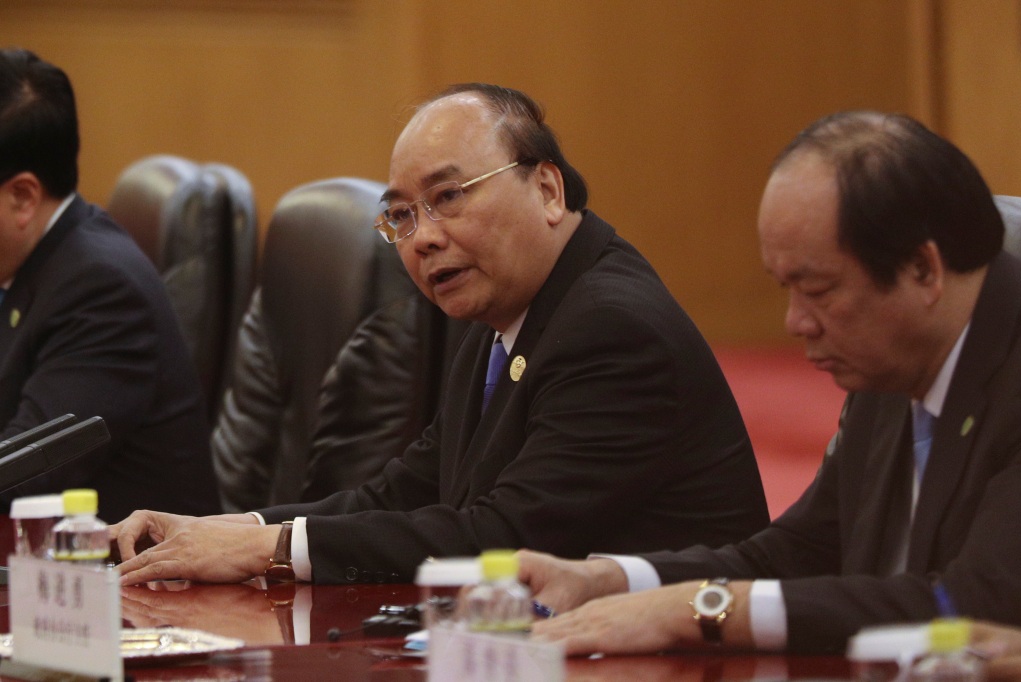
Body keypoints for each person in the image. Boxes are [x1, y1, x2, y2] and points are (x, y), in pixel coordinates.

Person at [111, 83, 769, 585]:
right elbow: (406, 489)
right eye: (401, 215)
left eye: (449, 198)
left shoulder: (611, 329)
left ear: (546, 189)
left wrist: (270, 551)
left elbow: (504, 537)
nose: (423, 237)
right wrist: (226, 530)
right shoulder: (504, 311)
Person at [522, 110, 1021, 655]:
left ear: (924, 270)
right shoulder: (892, 358)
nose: (795, 322)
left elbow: (973, 607)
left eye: (819, 289)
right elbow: (800, 552)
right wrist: (606, 582)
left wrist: (699, 613)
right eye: (786, 287)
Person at [0, 48, 220, 521]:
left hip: (142, 586)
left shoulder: (99, 289)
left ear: (21, 197)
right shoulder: (25, 263)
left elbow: (17, 474)